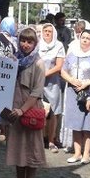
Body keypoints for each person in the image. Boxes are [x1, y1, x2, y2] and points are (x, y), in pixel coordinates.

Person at [5, 27, 46, 178]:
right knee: (17, 151)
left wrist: (23, 110)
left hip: (30, 110)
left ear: (35, 44)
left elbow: (37, 91)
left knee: (31, 151)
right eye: (23, 40)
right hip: (14, 109)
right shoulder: (15, 59)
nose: (25, 44)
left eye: (30, 42)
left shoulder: (38, 63)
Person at [61, 30, 90, 164]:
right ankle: (77, 153)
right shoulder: (72, 54)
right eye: (83, 37)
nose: (85, 40)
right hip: (73, 91)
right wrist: (71, 80)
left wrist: (85, 84)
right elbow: (63, 71)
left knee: (87, 125)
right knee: (75, 124)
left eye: (88, 38)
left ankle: (86, 154)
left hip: (88, 92)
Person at [37, 23, 65, 152]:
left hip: (52, 82)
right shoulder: (37, 44)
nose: (47, 33)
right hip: (38, 82)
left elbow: (59, 66)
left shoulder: (58, 45)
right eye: (45, 31)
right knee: (40, 111)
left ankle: (52, 140)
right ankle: (41, 138)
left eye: (50, 31)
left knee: (53, 112)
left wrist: (45, 74)